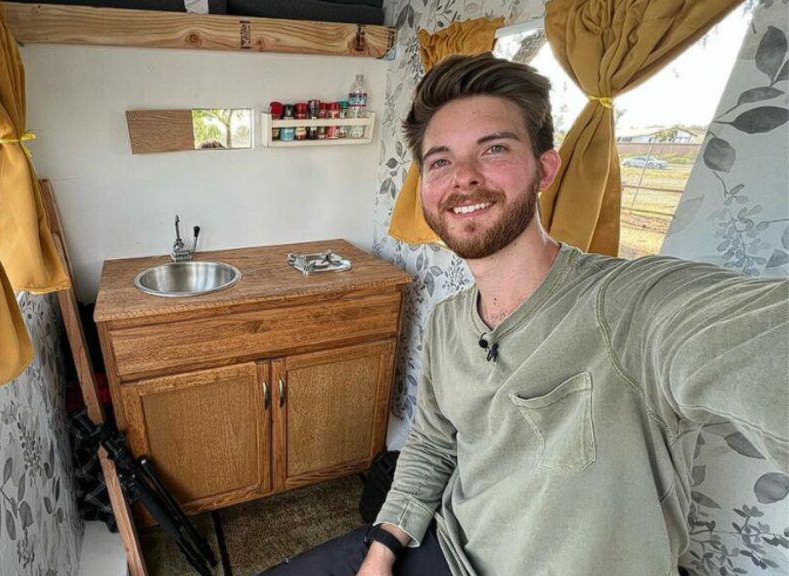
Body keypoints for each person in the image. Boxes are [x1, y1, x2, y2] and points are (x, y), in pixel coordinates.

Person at [260, 52, 789, 576]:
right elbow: (430, 444)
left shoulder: (633, 307)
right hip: (447, 547)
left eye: (493, 148)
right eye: (440, 160)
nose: (463, 177)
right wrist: (381, 552)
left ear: (545, 169)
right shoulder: (448, 322)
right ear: (424, 188)